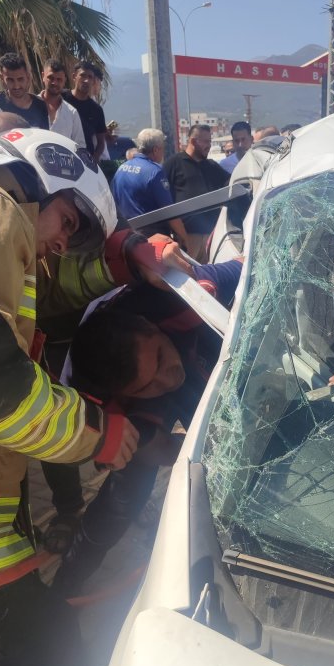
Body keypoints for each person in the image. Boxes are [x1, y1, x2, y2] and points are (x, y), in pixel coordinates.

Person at [0, 127, 143, 666]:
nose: (62, 243)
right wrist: (94, 435)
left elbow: (25, 304)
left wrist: (121, 258)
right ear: (40, 177)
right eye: (69, 222)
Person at [51, 255, 243, 596]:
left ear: (149, 326)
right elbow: (164, 450)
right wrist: (210, 456)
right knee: (124, 500)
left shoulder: (178, 294)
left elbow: (247, 263)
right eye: (148, 384)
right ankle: (68, 580)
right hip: (127, 409)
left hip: (187, 338)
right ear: (122, 394)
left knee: (235, 422)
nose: (167, 377)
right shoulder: (91, 404)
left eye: (158, 358)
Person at [163, 123, 230, 261]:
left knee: (210, 276)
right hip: (187, 237)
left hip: (212, 236)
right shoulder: (174, 164)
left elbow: (231, 183)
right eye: (206, 142)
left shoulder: (212, 166)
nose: (209, 145)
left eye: (210, 141)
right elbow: (164, 199)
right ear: (193, 141)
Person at [112, 127, 188, 247]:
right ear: (156, 150)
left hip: (126, 237)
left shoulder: (121, 168)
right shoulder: (155, 171)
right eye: (163, 148)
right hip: (152, 240)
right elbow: (169, 212)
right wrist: (184, 237)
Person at [0, 52, 49, 129]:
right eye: (10, 80)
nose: (16, 86)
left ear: (28, 77)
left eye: (20, 79)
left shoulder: (40, 105)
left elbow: (44, 136)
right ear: (2, 78)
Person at [62, 60, 106, 161]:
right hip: (61, 158)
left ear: (93, 81)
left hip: (85, 161)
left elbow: (101, 143)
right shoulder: (61, 98)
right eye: (82, 75)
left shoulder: (97, 110)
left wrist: (93, 159)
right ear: (74, 77)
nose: (86, 80)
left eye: (90, 77)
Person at [40, 58, 86, 146]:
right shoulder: (30, 106)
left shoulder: (72, 113)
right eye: (51, 78)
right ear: (43, 76)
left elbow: (80, 146)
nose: (55, 83)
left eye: (59, 79)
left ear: (64, 80)